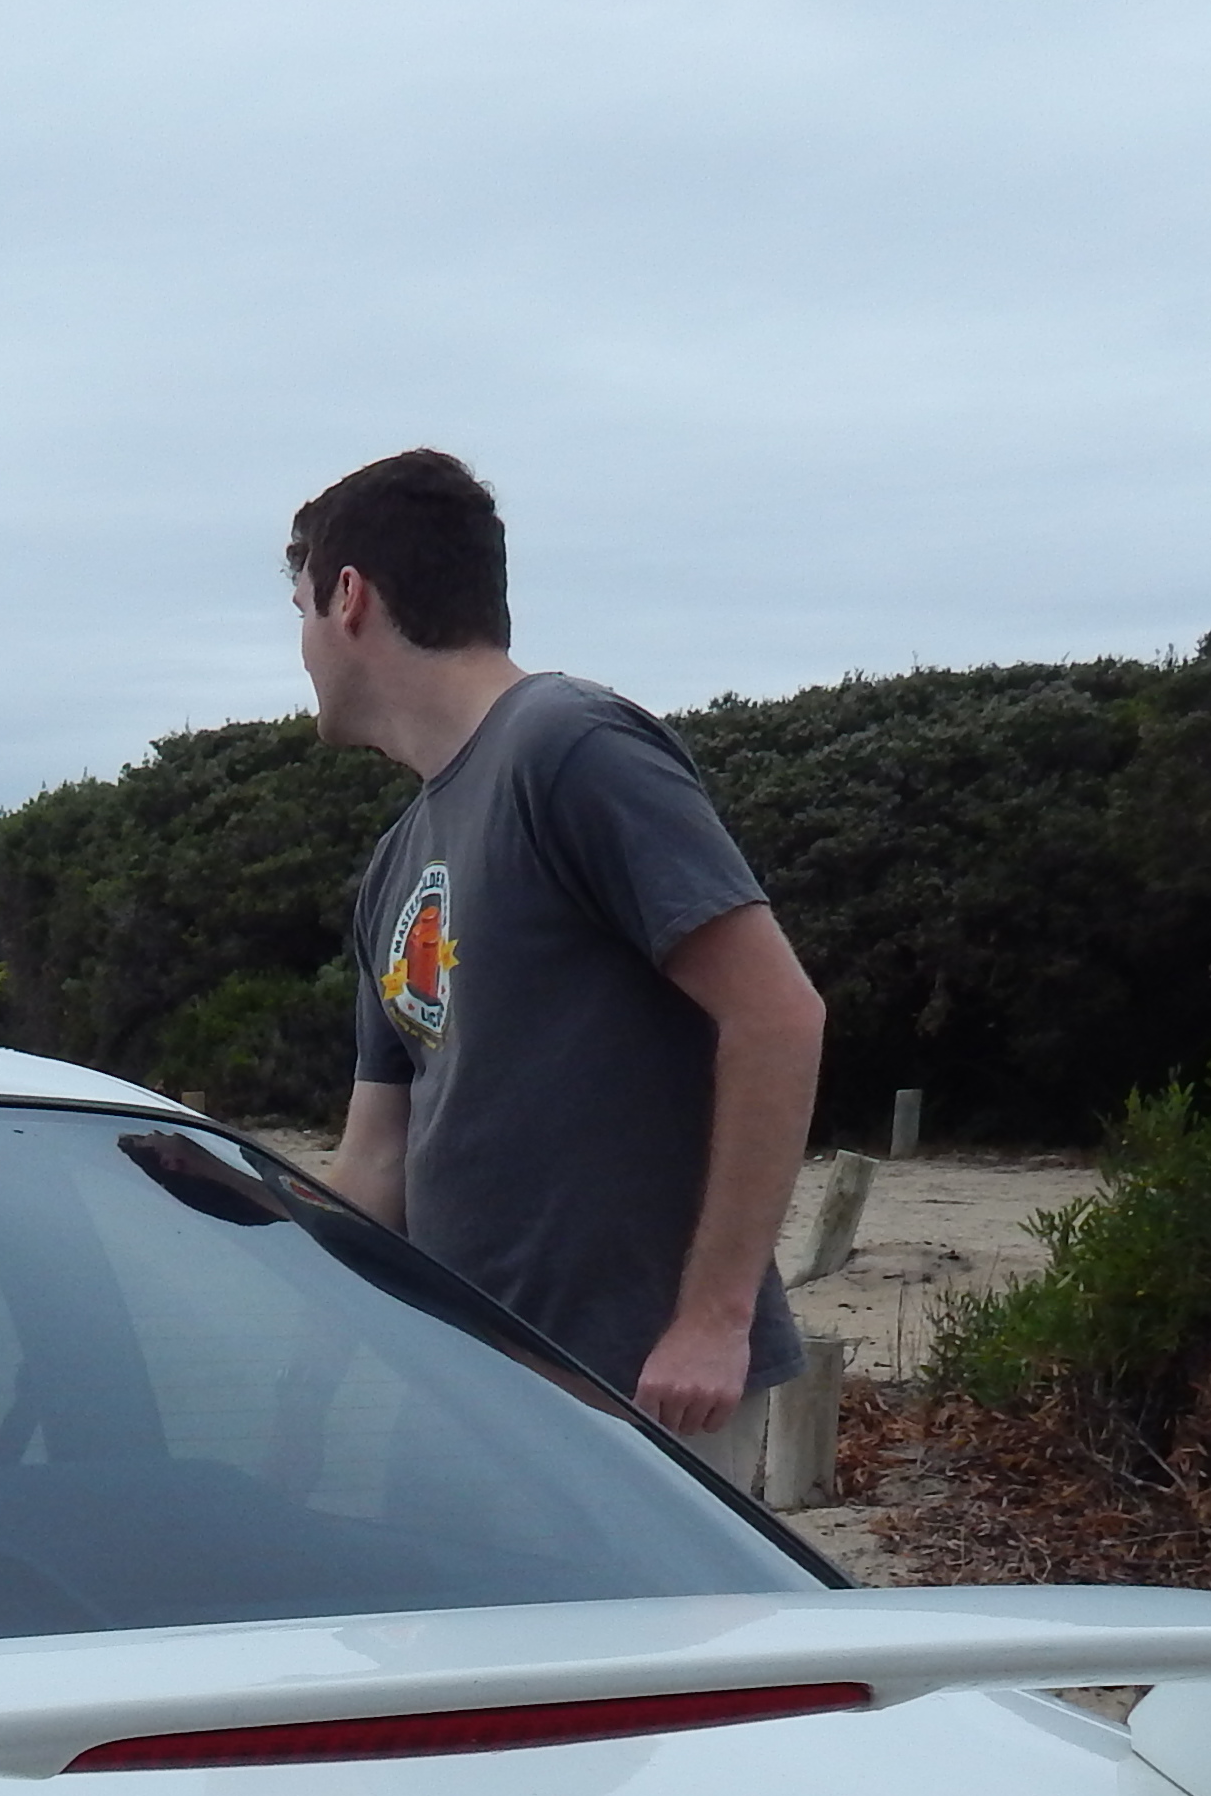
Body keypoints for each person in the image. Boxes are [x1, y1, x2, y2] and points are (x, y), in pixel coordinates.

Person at [291, 448, 827, 1487]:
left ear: (349, 598)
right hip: (472, 1386)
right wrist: (239, 1222)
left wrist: (711, 1324)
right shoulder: (396, 860)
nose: (303, 649)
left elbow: (778, 1018)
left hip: (645, 1391)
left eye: (303, 610)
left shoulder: (571, 746)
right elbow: (377, 1162)